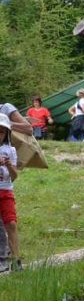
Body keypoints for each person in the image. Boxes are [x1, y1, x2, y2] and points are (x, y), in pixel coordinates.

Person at [0, 114, 22, 272]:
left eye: (1, 132)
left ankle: (16, 260)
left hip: (6, 190)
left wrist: (8, 165)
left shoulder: (10, 150)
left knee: (11, 224)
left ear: (7, 133)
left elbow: (14, 176)